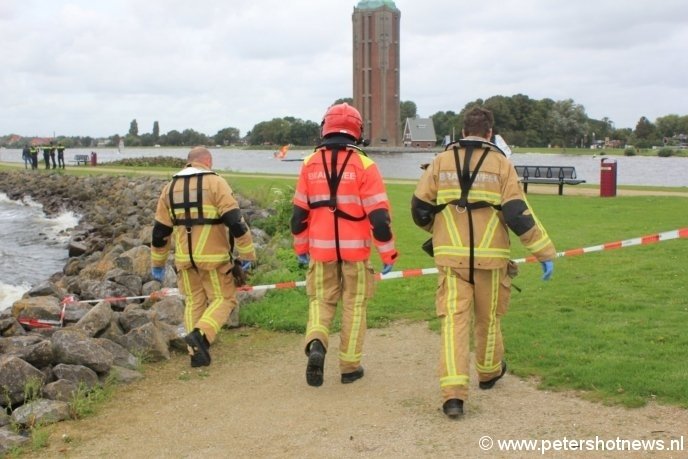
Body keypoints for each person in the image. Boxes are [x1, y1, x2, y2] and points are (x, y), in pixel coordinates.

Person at [411, 106, 556, 419]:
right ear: (490, 133)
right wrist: (544, 252)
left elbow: (419, 209)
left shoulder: (439, 162)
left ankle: (453, 396)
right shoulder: (502, 165)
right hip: (491, 260)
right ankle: (489, 373)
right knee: (488, 317)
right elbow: (517, 214)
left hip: (451, 259)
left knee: (453, 323)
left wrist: (440, 230)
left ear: (463, 131)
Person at [290, 103, 398, 387]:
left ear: (324, 128)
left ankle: (316, 343)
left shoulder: (309, 164)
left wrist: (301, 249)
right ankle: (350, 367)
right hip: (356, 254)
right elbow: (379, 217)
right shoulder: (365, 166)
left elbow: (299, 214)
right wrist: (387, 253)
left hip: (321, 251)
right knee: (355, 306)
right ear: (357, 131)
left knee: (320, 302)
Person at [150, 146, 256, 367]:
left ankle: (195, 353)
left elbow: (160, 232)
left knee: (194, 302)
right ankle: (201, 335)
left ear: (188, 162)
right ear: (207, 161)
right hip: (213, 257)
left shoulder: (169, 188)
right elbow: (235, 221)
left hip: (185, 260)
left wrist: (157, 262)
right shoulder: (216, 183)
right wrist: (247, 252)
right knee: (224, 299)